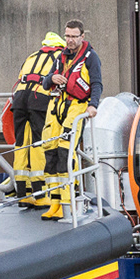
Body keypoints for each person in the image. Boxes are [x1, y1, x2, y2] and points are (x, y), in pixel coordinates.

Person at [40, 20, 102, 222]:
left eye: (74, 36)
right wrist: (52, 79)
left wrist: (93, 105)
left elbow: (97, 84)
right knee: (50, 152)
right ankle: (55, 203)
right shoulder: (60, 57)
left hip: (76, 107)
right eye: (67, 36)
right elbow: (45, 82)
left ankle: (68, 202)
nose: (70, 40)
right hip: (57, 107)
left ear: (82, 36)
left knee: (65, 152)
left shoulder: (91, 57)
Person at [9, 33, 64, 206]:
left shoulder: (32, 56)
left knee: (21, 144)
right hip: (38, 99)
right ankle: (40, 194)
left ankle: (22, 193)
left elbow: (21, 76)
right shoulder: (60, 57)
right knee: (38, 144)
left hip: (19, 99)